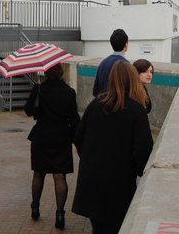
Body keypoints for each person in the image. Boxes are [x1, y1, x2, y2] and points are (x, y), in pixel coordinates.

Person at [73, 61, 153, 233]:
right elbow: (143, 149)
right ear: (132, 79)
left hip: (93, 182)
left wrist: (90, 158)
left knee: (98, 227)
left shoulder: (95, 105)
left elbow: (79, 137)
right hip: (119, 185)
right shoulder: (136, 110)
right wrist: (136, 170)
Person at [24, 63, 80, 230]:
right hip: (61, 138)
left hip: (40, 136)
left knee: (39, 173)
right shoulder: (69, 92)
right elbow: (74, 119)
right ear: (61, 72)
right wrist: (79, 141)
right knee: (59, 176)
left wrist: (35, 91)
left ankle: (35, 207)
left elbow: (28, 111)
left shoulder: (40, 89)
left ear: (46, 73)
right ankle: (60, 215)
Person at [92, 29, 128, 96]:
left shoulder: (103, 63)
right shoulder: (126, 65)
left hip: (103, 104)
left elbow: (95, 91)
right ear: (126, 45)